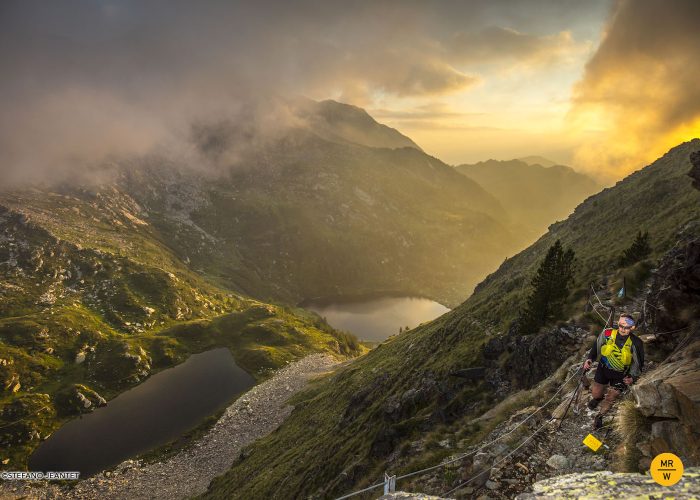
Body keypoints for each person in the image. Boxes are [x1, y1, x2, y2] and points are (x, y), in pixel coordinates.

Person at [583, 314, 644, 429]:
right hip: (603, 369)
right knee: (596, 393)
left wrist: (632, 377)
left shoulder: (636, 343)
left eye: (626, 327)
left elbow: (638, 363)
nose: (622, 329)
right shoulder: (607, 333)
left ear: (632, 328)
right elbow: (596, 346)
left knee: (611, 397)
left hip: (621, 374)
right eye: (620, 326)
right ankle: (597, 398)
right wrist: (590, 359)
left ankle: (600, 417)